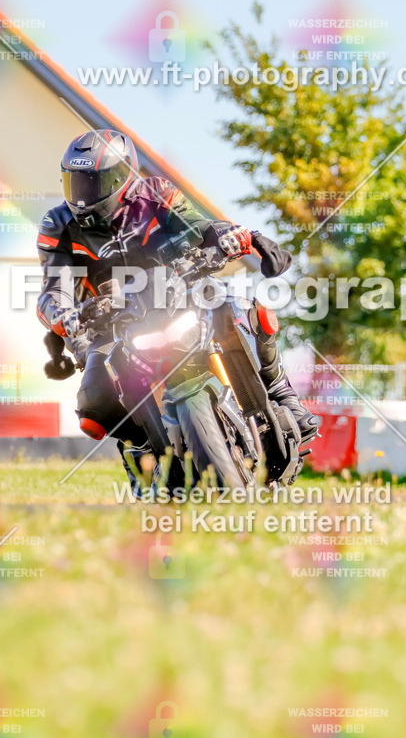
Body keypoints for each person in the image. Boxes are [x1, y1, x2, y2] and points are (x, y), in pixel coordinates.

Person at [36, 129, 319, 488]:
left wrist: (231, 235)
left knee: (248, 312)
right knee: (93, 401)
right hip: (107, 319)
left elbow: (198, 227)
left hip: (179, 292)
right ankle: (141, 453)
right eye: (74, 182)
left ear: (122, 177)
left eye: (93, 182)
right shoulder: (57, 225)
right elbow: (53, 288)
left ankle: (280, 392)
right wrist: (62, 314)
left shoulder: (156, 194)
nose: (82, 194)